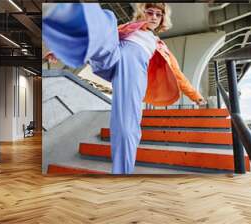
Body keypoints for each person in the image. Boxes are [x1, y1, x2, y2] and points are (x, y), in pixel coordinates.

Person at [43, 3, 207, 174]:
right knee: (108, 19)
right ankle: (63, 12)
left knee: (125, 124)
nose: (153, 17)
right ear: (142, 13)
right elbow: (100, 37)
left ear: (162, 20)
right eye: (150, 12)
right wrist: (58, 51)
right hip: (113, 54)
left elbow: (179, 76)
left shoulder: (159, 45)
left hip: (133, 67)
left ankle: (122, 172)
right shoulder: (129, 27)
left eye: (158, 15)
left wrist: (196, 96)